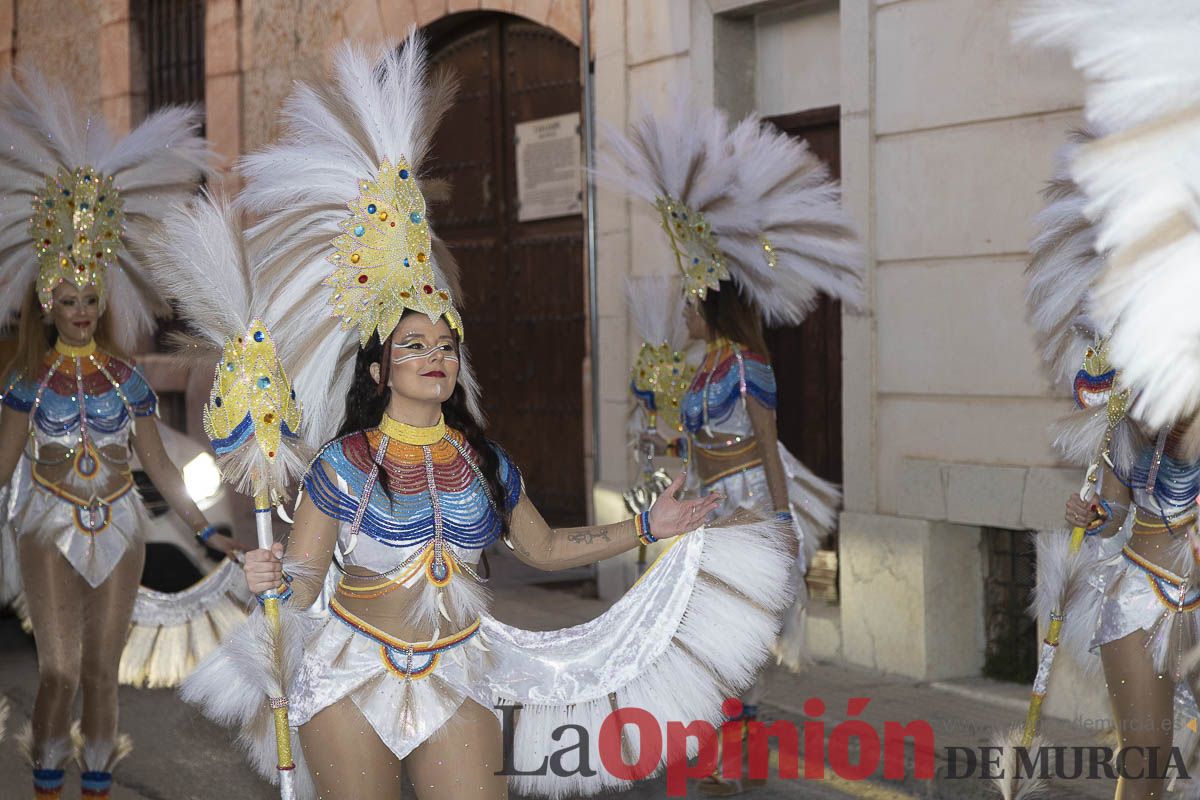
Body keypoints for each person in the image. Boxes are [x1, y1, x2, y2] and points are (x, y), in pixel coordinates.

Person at [181, 33, 797, 800]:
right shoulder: (344, 463)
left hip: (458, 672)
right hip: (348, 676)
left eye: (445, 342)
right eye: (414, 344)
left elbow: (538, 546)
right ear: (381, 369)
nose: (434, 355)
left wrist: (646, 529)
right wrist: (269, 578)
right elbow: (303, 589)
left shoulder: (483, 462)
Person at [605, 104, 863, 795]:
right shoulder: (704, 366)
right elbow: (690, 442)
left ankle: (734, 758)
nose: (684, 309)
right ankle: (720, 747)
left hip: (747, 507)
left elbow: (770, 449)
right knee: (708, 633)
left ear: (713, 304)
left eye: (692, 301)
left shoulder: (750, 366)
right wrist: (656, 436)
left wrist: (783, 522)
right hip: (708, 509)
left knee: (735, 635)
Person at [0, 70, 227, 799]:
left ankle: (95, 778)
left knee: (102, 667)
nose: (81, 309)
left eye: (90, 297)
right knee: (59, 669)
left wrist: (207, 529)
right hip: (46, 524)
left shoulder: (125, 378)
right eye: (67, 298)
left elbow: (159, 465)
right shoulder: (27, 383)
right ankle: (44, 770)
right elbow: (3, 465)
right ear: (48, 302)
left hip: (121, 526)